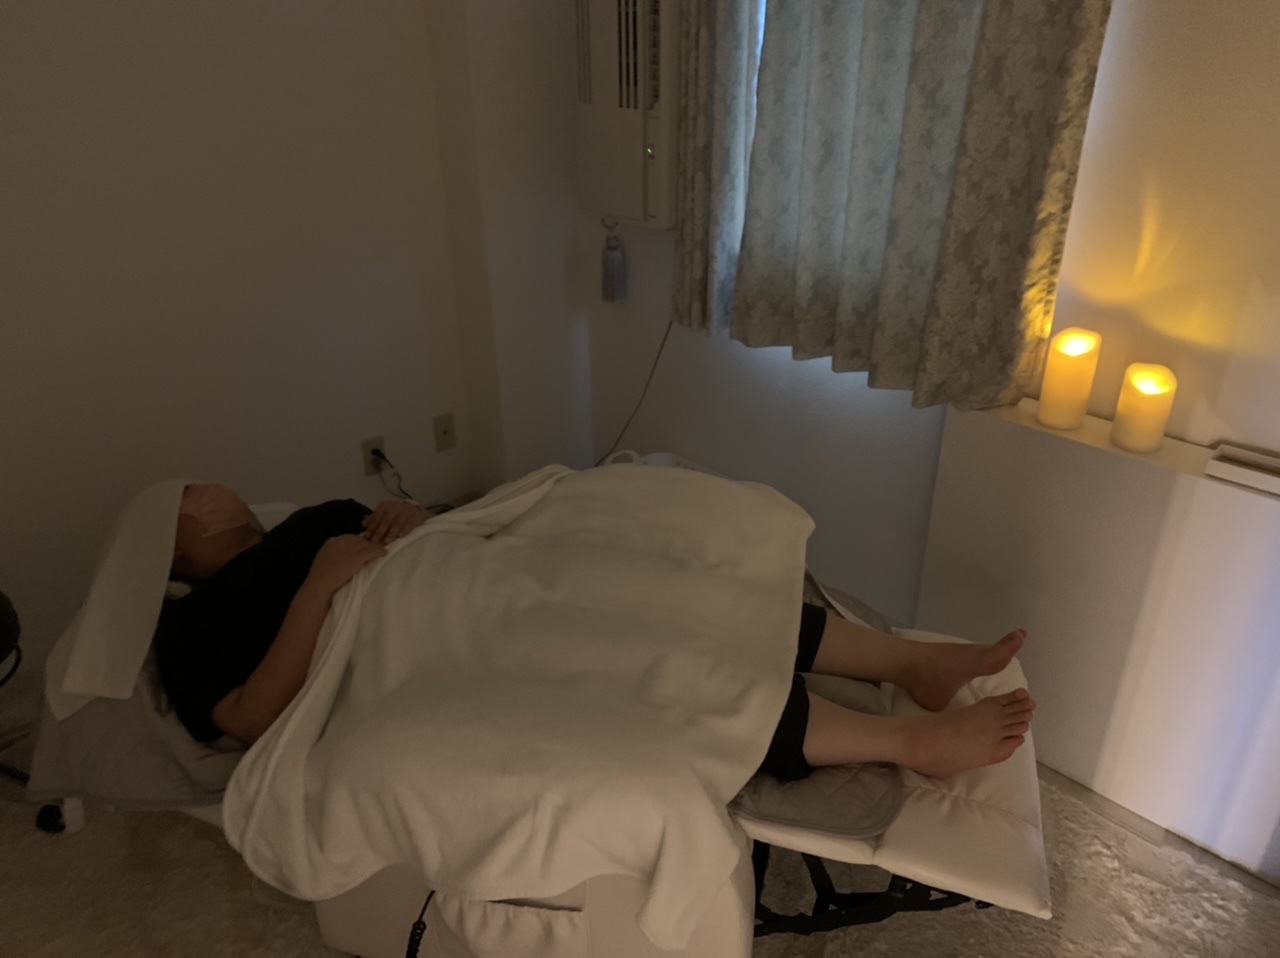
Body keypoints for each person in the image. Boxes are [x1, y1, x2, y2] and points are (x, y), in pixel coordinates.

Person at [156, 483, 1034, 781]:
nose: (213, 488)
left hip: (474, 571)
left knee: (677, 590)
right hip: (417, 636)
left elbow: (430, 525)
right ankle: (908, 744)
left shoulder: (313, 516)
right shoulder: (191, 626)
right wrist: (317, 590)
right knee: (646, 660)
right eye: (192, 497)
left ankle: (909, 662)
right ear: (174, 548)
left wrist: (411, 518)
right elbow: (251, 719)